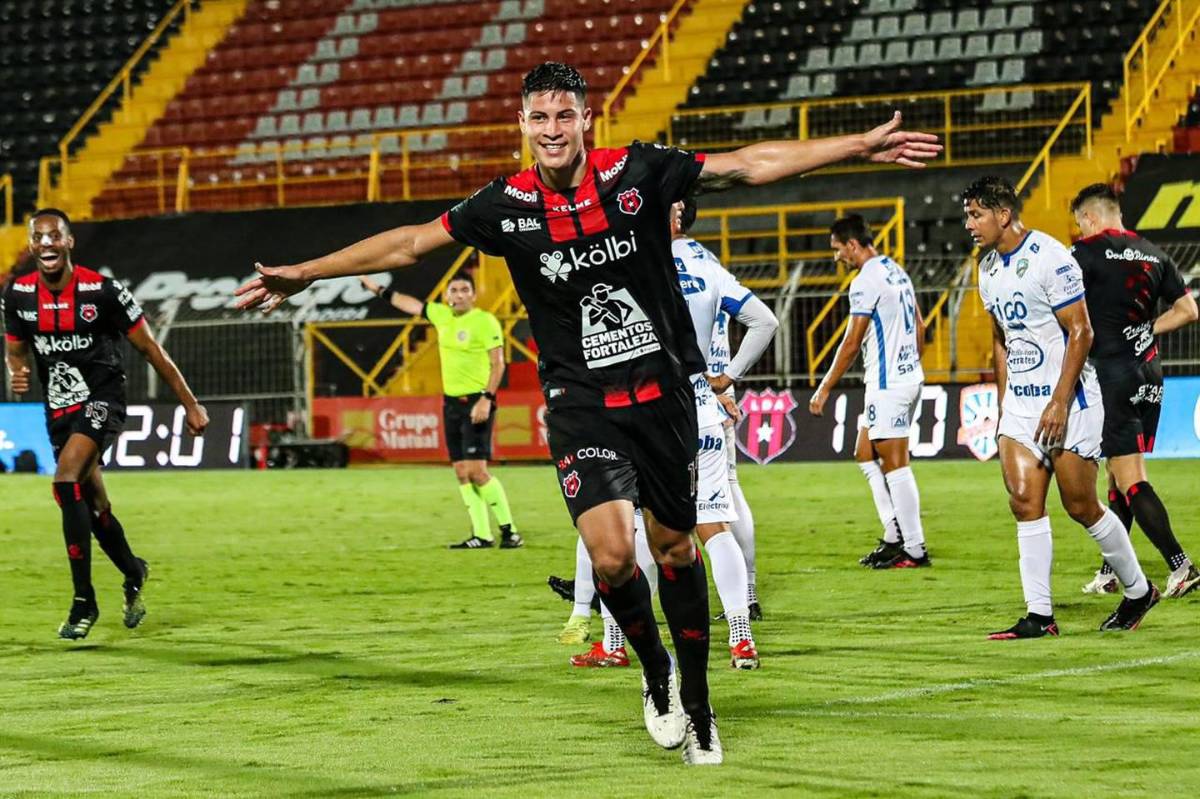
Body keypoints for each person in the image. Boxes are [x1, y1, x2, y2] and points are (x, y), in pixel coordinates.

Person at [234, 62, 941, 765]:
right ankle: (656, 671)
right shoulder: (505, 202)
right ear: (522, 125)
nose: (551, 129)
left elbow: (747, 164)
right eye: (538, 118)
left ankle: (698, 701)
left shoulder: (637, 173)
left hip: (661, 397)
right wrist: (302, 274)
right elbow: (412, 241)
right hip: (580, 406)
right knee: (609, 554)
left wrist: (853, 147)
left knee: (673, 547)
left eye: (563, 115)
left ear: (586, 120)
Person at [562, 197, 778, 671]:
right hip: (701, 408)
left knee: (634, 525)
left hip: (644, 411)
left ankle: (617, 644)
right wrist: (728, 377)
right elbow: (766, 321)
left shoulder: (629, 261)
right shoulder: (708, 265)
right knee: (715, 525)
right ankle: (740, 637)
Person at [962, 176, 1158, 639]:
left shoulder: (1050, 258)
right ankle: (1039, 615)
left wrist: (1059, 401)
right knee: (1024, 501)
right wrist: (1006, 402)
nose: (968, 224)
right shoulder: (986, 267)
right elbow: (1000, 339)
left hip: (1070, 402)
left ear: (1003, 215)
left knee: (1080, 505)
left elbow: (1081, 332)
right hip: (1023, 406)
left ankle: (1137, 590)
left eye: (976, 215)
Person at [2, 208, 208, 640]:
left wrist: (190, 404)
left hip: (102, 400)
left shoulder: (102, 291)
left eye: (54, 236)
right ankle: (134, 571)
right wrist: (15, 370)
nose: (46, 244)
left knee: (64, 481)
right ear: (31, 245)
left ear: (69, 241)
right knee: (93, 509)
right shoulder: (18, 294)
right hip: (58, 410)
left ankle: (83, 602)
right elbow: (17, 348)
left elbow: (152, 349)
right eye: (38, 237)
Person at [1068, 183, 1200, 597]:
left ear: (1089, 218)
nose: (1081, 231)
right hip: (1150, 373)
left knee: (1130, 476)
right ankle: (1111, 572)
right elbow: (1188, 311)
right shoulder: (1153, 253)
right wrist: (1146, 328)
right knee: (1119, 473)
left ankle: (1182, 567)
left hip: (1113, 375)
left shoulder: (1084, 254)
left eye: (1080, 224)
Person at [359, 271, 521, 549]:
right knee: (461, 471)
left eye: (463, 290)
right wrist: (377, 289)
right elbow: (409, 304)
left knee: (477, 471)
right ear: (446, 296)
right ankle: (482, 535)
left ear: (473, 295)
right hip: (451, 403)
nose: (458, 295)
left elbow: (498, 364)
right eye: (453, 290)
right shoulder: (440, 315)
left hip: (477, 402)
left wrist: (486, 398)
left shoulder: (484, 321)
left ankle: (510, 532)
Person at [809, 215, 929, 569]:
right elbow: (920, 326)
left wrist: (825, 387)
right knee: (864, 453)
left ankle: (915, 549)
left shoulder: (865, 281)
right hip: (904, 377)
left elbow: (851, 342)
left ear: (852, 245)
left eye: (837, 250)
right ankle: (895, 534)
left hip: (888, 385)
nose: (836, 258)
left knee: (896, 465)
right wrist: (909, 365)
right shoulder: (895, 270)